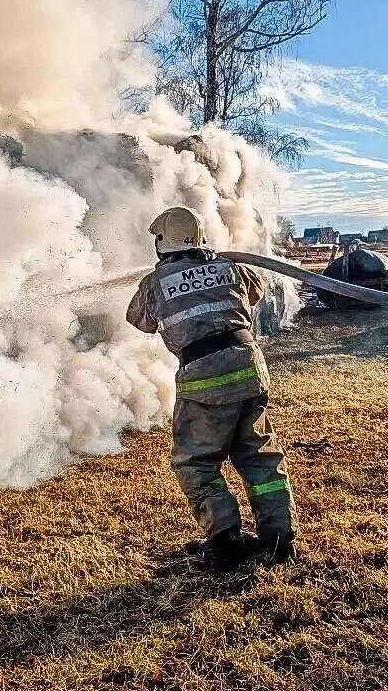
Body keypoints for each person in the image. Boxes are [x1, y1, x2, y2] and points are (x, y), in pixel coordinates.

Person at [126, 206, 297, 566]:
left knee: (196, 463)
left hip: (205, 378)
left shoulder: (155, 284)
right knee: (260, 457)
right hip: (250, 369)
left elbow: (139, 321)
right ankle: (279, 539)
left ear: (161, 243)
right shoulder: (231, 267)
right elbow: (256, 292)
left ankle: (224, 540)